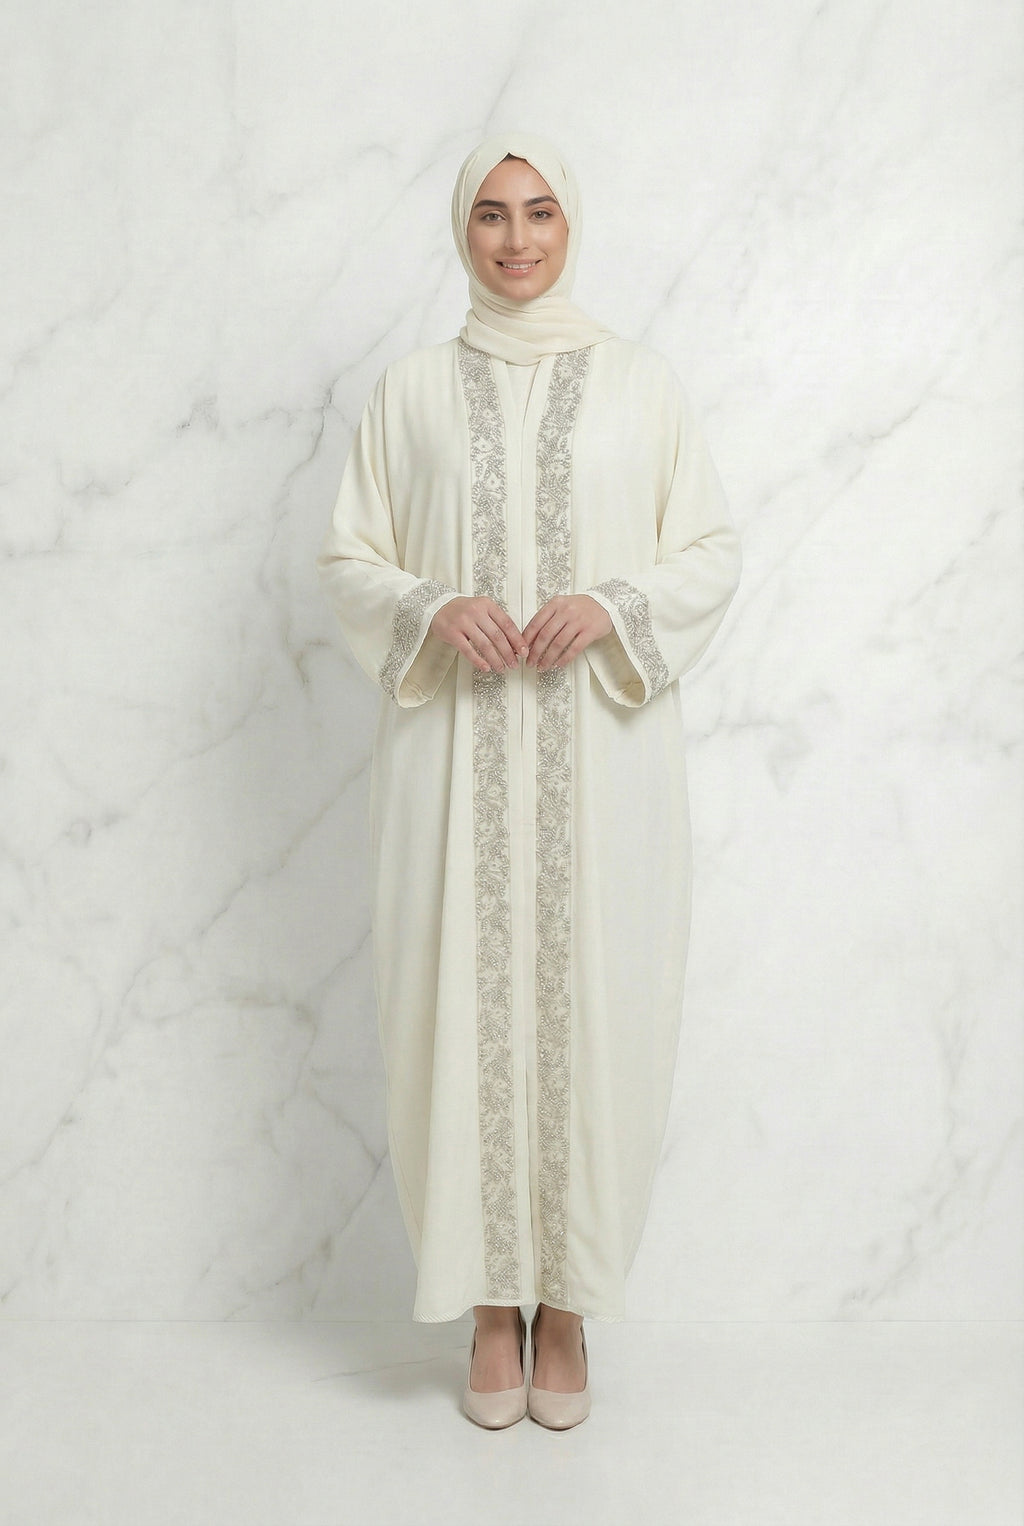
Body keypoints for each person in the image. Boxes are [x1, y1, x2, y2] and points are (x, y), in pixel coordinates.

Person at [316, 132, 741, 1430]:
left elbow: (710, 549)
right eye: (492, 215)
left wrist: (614, 607)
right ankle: (488, 1305)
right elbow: (350, 558)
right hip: (451, 766)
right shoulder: (409, 394)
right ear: (463, 231)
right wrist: (430, 606)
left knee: (600, 1007)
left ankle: (567, 1306)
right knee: (452, 1007)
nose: (517, 239)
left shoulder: (642, 385)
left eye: (540, 211)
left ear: (571, 224)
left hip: (603, 767)